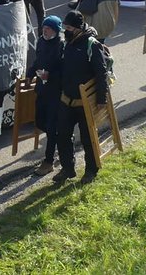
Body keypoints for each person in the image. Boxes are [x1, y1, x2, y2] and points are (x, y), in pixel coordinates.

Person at [54, 11, 109, 183]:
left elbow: (101, 72)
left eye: (69, 28)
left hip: (85, 102)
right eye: (65, 27)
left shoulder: (91, 44)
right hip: (66, 100)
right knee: (62, 136)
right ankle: (67, 169)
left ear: (78, 28)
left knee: (88, 138)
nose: (66, 30)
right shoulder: (67, 43)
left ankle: (91, 170)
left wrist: (101, 99)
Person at [30, 16, 65, 176]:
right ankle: (60, 146)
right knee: (40, 121)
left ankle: (48, 161)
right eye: (44, 27)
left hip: (55, 92)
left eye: (49, 28)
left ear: (56, 31)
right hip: (41, 90)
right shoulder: (41, 41)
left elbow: (64, 71)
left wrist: (50, 76)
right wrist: (30, 74)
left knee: (52, 127)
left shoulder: (61, 45)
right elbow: (38, 61)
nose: (45, 30)